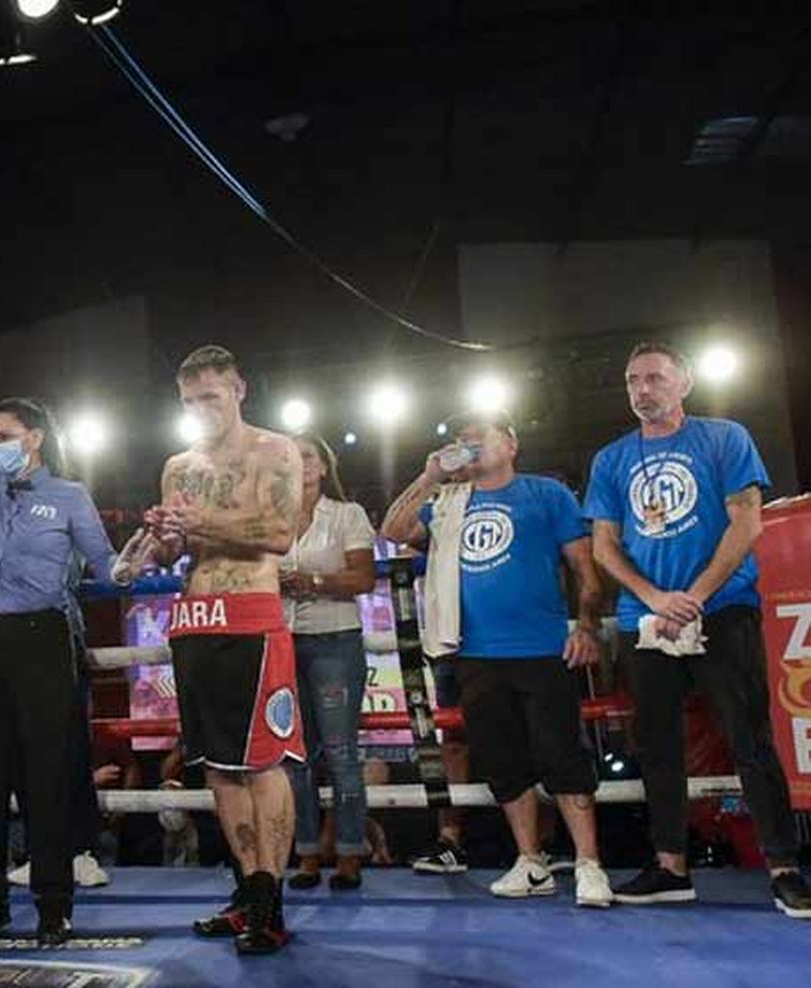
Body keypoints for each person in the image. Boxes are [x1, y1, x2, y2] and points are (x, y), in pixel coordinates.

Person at [0, 291, 126, 946]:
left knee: (46, 776)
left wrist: (144, 555)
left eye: (5, 436)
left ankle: (53, 907)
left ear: (34, 439)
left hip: (45, 640)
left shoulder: (70, 496)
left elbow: (106, 569)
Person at [583, 341, 811, 917]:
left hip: (723, 607)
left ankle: (785, 867)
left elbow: (748, 520)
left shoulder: (724, 437)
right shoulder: (611, 459)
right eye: (633, 380)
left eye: (655, 378)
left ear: (683, 382)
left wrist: (697, 596)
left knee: (749, 739)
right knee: (657, 746)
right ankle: (670, 866)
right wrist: (657, 598)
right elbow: (604, 546)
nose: (642, 390)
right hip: (646, 617)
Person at [114, 344, 304, 955]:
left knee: (263, 764)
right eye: (190, 401)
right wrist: (164, 537)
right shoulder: (178, 466)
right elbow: (175, 553)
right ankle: (247, 891)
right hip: (195, 616)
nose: (202, 409)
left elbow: (276, 533)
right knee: (220, 767)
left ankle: (271, 901)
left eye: (211, 396)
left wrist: (197, 526)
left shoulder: (275, 450)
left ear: (239, 389)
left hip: (251, 615)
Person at [382, 411, 613, 908]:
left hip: (541, 647)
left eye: (477, 438)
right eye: (461, 441)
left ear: (510, 443)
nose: (469, 447)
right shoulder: (447, 502)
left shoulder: (546, 494)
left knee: (562, 756)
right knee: (502, 761)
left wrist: (589, 626)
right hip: (473, 653)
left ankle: (590, 864)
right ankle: (531, 862)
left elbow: (584, 568)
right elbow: (393, 527)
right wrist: (429, 475)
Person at [0, 507, 111, 890]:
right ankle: (41, 853)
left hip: (56, 641)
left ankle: (83, 852)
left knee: (70, 747)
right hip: (6, 646)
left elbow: (60, 575)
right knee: (23, 756)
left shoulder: (65, 511)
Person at [278, 432, 377, 891]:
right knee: (294, 756)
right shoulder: (268, 520)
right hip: (280, 642)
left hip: (334, 639)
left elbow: (364, 577)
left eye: (307, 456)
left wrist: (312, 581)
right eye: (290, 457)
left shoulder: (346, 514)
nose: (298, 464)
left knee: (340, 754)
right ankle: (307, 855)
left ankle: (351, 853)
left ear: (322, 466)